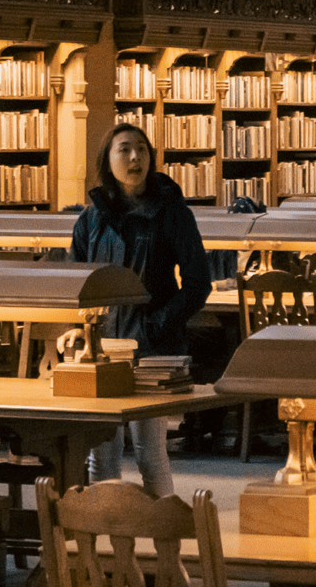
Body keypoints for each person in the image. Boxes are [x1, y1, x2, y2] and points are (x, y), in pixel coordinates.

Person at [69, 123, 210, 497]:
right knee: (102, 455)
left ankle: (168, 542)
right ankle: (107, 540)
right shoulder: (91, 219)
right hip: (101, 352)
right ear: (107, 160)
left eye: (142, 150)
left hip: (151, 352)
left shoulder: (172, 214)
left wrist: (153, 328)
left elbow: (198, 283)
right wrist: (77, 329)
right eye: (125, 150)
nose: (135, 158)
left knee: (151, 453)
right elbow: (75, 282)